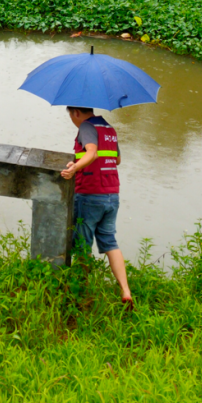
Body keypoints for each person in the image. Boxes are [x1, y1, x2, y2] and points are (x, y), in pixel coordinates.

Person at [61, 105, 132, 305]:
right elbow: (116, 159)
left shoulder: (86, 126)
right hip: (111, 194)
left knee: (82, 244)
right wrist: (79, 160)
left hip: (90, 195)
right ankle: (125, 291)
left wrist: (74, 167)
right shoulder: (109, 128)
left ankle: (82, 293)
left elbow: (91, 153)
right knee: (110, 242)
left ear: (75, 112)